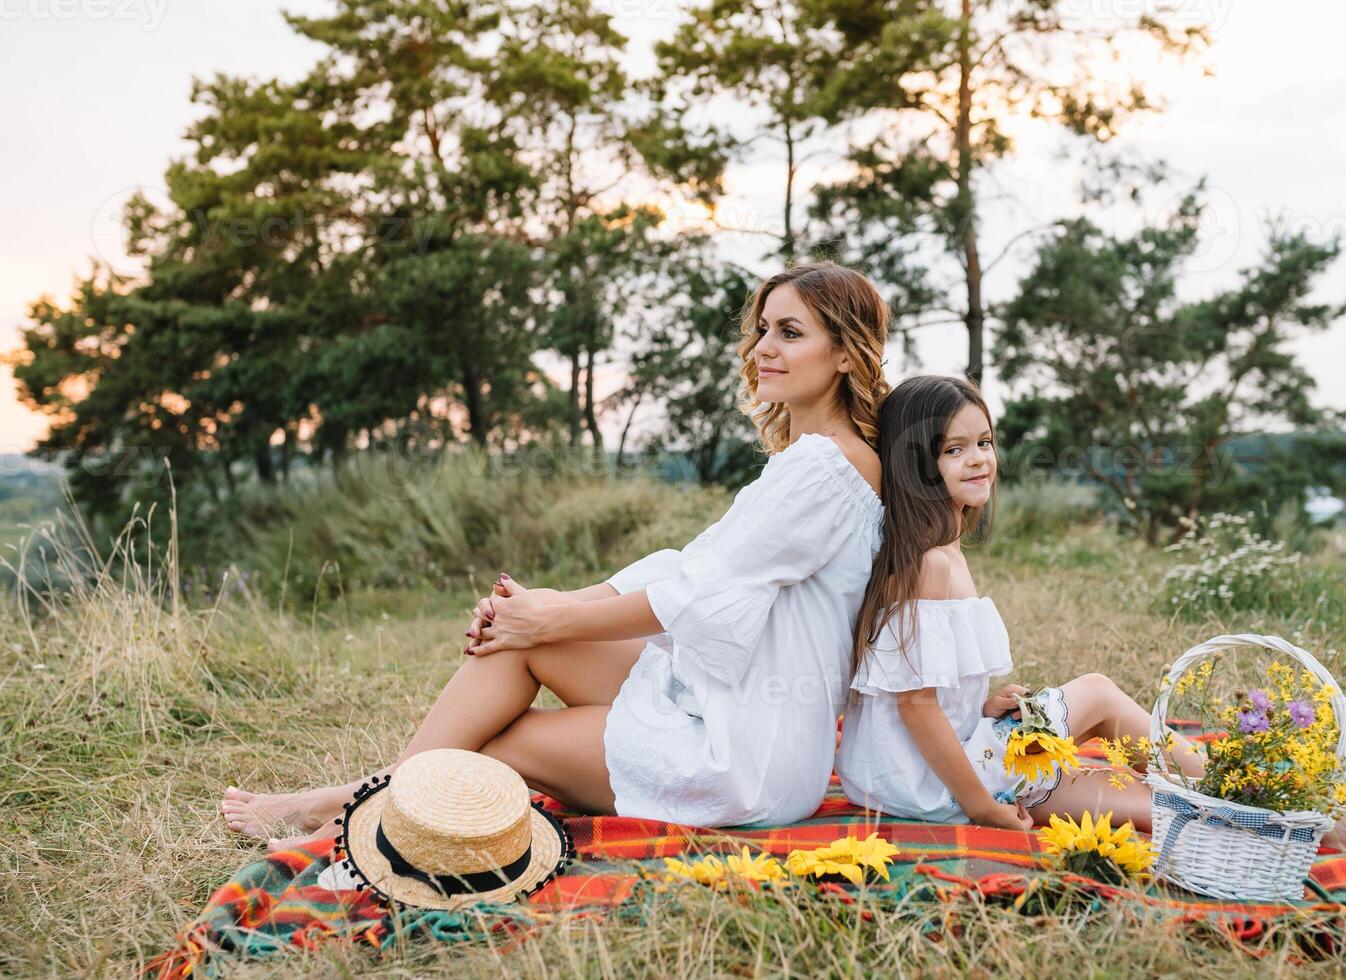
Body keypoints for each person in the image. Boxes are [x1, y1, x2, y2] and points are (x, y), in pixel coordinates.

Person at [222, 261, 890, 847]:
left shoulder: (826, 472)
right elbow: (681, 566)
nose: (762, 348)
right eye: (764, 329)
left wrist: (548, 621)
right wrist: (542, 609)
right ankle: (364, 801)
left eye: (790, 333)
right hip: (725, 701)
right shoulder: (810, 462)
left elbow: (697, 598)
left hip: (747, 754)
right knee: (512, 645)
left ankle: (359, 809)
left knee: (496, 739)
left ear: (845, 355)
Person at [835, 374, 1208, 834]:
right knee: (1098, 692)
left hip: (918, 778)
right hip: (931, 783)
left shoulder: (936, 553)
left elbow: (919, 688)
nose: (978, 460)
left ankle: (1266, 813)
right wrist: (984, 810)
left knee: (1169, 811)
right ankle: (1239, 789)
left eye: (984, 442)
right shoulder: (930, 565)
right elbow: (914, 705)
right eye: (953, 450)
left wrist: (981, 705)